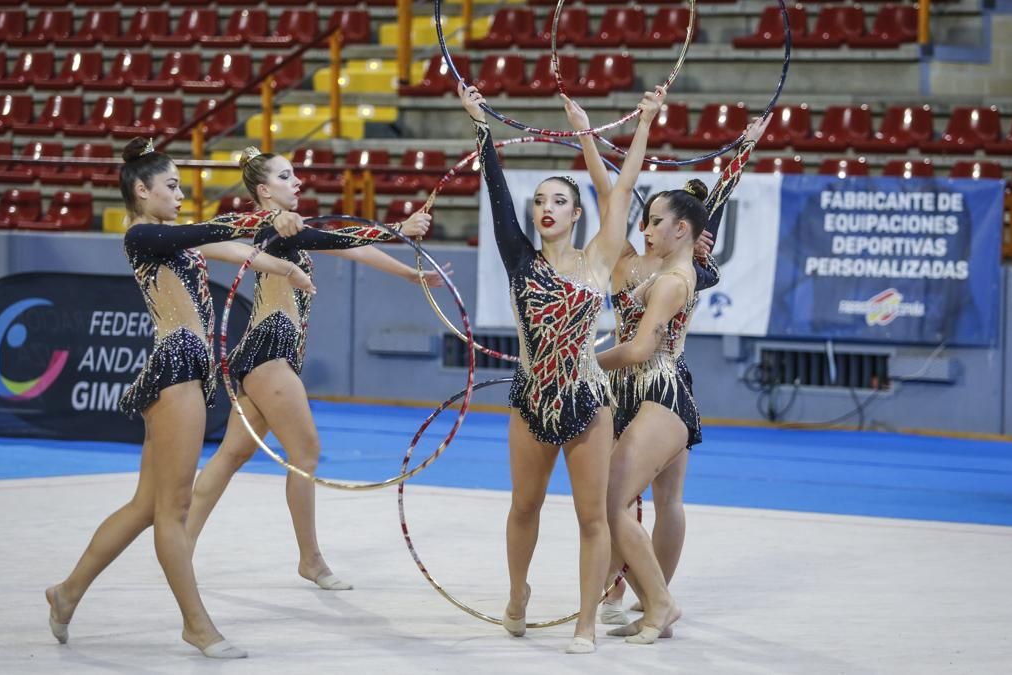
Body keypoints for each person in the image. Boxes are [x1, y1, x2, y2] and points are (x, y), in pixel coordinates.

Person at [44, 138, 314, 659]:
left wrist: (285, 264)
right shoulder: (143, 235)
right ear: (142, 191)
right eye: (171, 186)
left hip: (185, 377)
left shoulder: (172, 240)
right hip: (176, 373)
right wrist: (263, 218)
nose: (180, 194)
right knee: (174, 508)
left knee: (145, 506)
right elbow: (210, 232)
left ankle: (67, 593)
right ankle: (196, 626)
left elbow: (235, 250)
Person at [459, 82, 664, 653]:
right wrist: (480, 124)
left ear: (576, 214)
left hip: (586, 399)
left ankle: (585, 623)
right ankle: (517, 593)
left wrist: (644, 123)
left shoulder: (598, 260)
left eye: (557, 201)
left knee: (592, 516)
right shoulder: (519, 259)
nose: (545, 209)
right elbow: (496, 192)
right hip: (531, 398)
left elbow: (624, 190)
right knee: (524, 505)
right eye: (540, 201)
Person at [185, 147, 446, 591]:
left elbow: (351, 249)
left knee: (231, 455)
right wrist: (397, 229)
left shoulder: (287, 227)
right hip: (270, 353)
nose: (298, 182)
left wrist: (407, 274)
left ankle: (180, 543)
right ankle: (311, 560)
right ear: (264, 190)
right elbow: (341, 239)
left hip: (264, 353)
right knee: (304, 454)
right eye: (287, 176)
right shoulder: (273, 226)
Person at [595, 118, 770, 643]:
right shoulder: (631, 262)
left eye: (655, 221)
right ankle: (643, 600)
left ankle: (655, 600)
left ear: (681, 231)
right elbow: (610, 194)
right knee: (654, 499)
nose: (644, 227)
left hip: (658, 382)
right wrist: (585, 136)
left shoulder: (678, 272)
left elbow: (706, 207)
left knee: (624, 500)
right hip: (631, 386)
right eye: (644, 219)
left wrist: (744, 148)